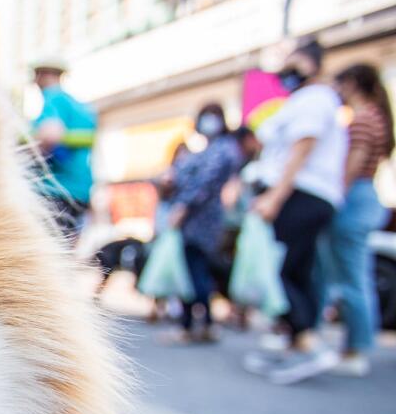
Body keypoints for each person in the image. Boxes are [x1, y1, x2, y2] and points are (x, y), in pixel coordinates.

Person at [246, 39, 348, 384]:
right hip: (304, 194)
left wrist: (275, 197)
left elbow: (302, 149)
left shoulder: (315, 99)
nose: (288, 70)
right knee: (298, 271)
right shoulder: (307, 101)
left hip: (301, 195)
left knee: (283, 271)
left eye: (297, 63)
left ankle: (310, 344)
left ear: (315, 65)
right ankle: (296, 346)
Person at [323, 63, 394, 376]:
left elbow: (353, 164)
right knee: (356, 275)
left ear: (352, 83)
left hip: (355, 198)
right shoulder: (377, 115)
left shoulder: (364, 118)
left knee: (352, 278)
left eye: (340, 84)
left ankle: (355, 350)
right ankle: (355, 345)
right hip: (366, 197)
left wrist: (336, 196)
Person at [164, 104, 247, 342]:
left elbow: (204, 184)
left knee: (194, 272)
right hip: (198, 220)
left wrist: (183, 207)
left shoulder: (223, 150)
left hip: (200, 221)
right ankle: (202, 324)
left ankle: (194, 325)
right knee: (196, 272)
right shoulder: (209, 150)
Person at [30, 56, 97, 242]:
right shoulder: (83, 108)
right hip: (79, 191)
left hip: (56, 190)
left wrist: (26, 153)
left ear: (43, 76)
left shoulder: (54, 98)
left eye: (36, 77)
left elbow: (51, 134)